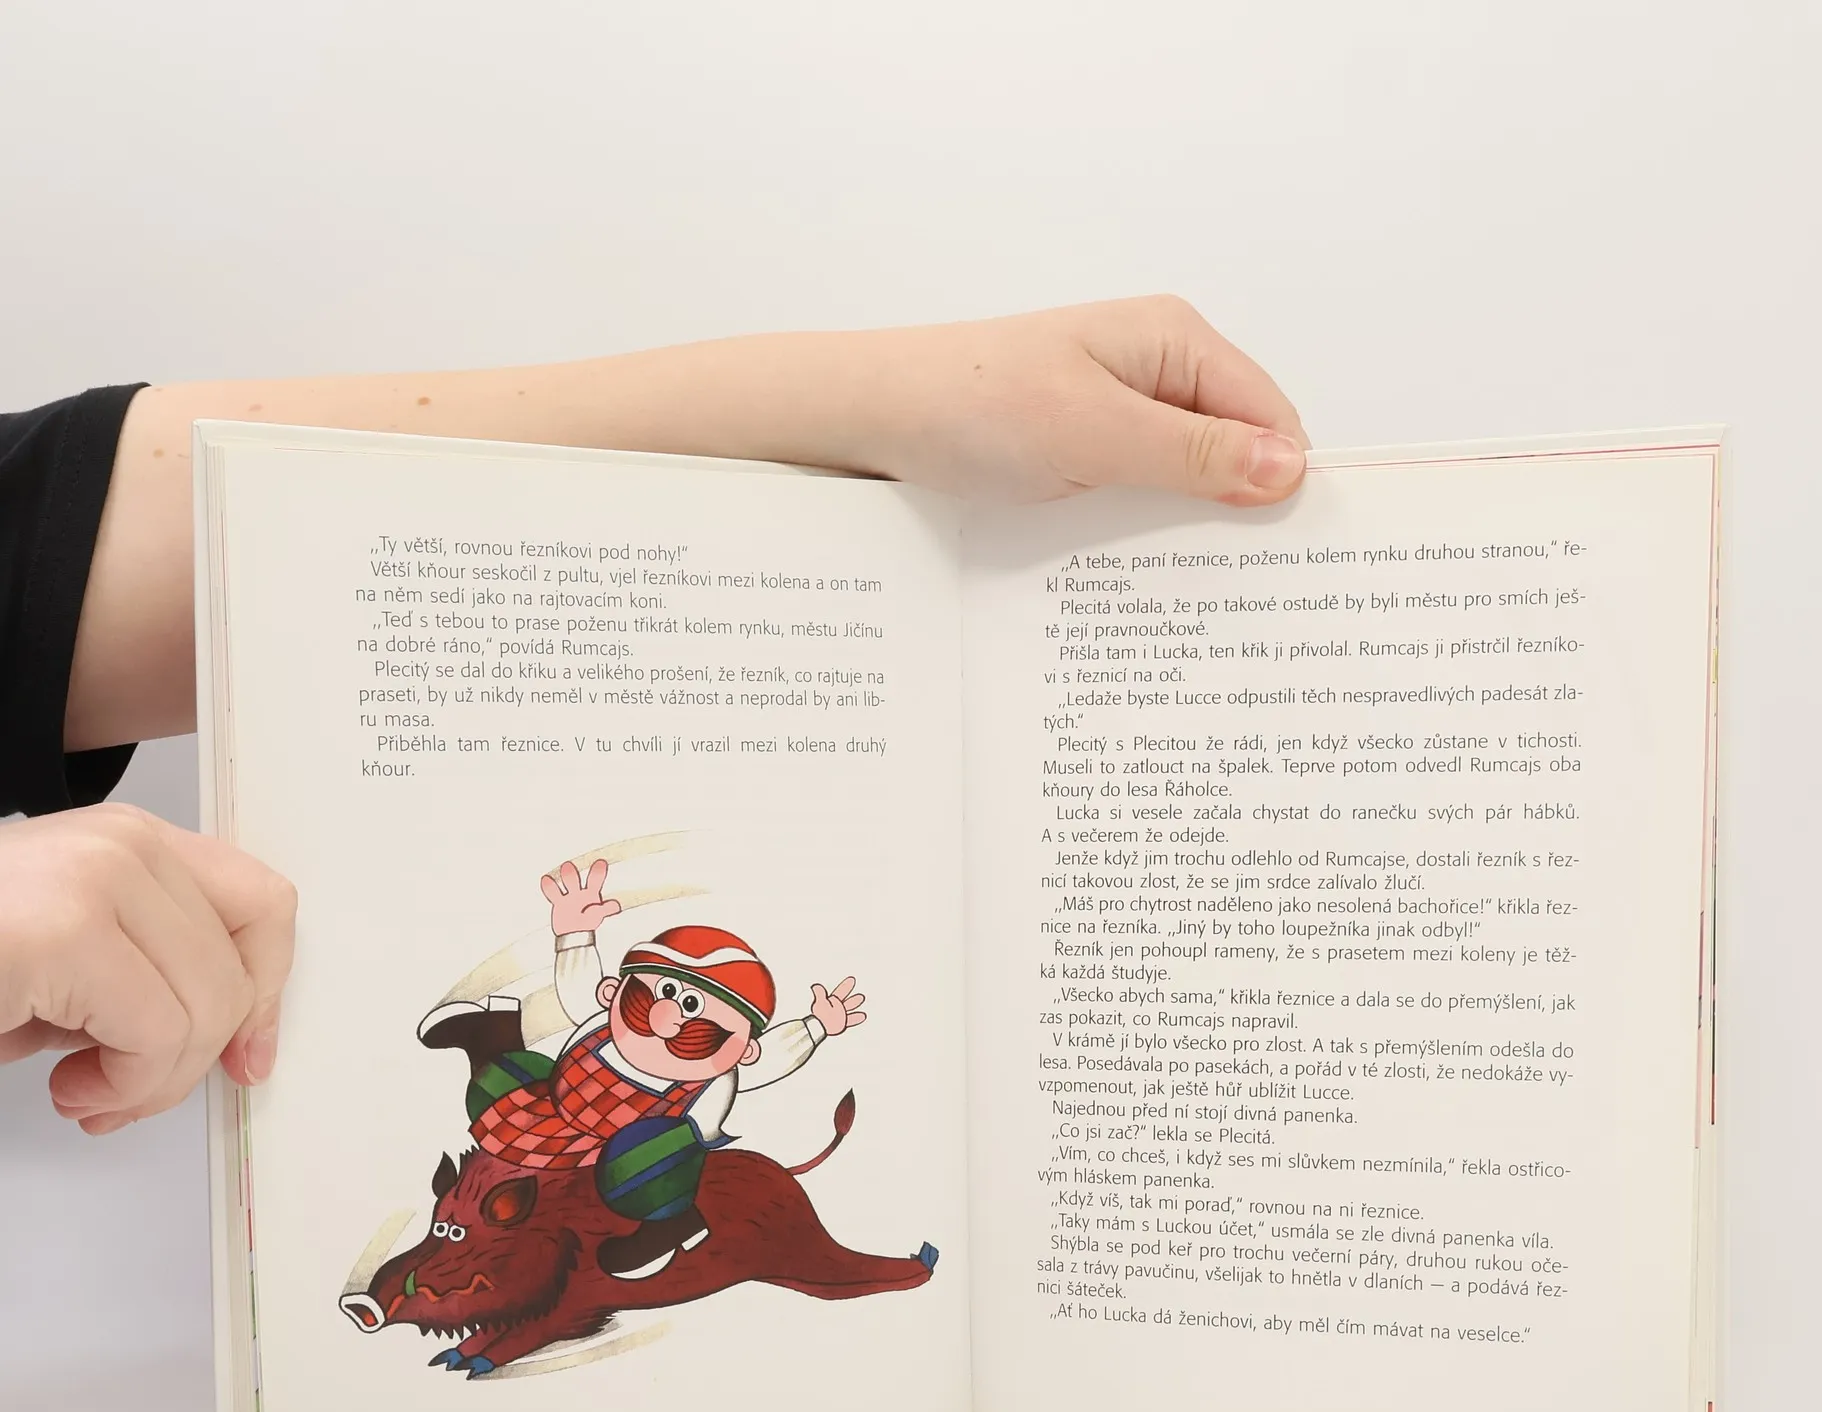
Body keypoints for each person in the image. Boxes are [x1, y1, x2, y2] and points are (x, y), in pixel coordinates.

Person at [0, 297, 1308, 1137]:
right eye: (669, 1003)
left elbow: (53, 551)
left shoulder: (713, 1081)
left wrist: (892, 394)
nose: (670, 1029)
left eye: (696, 1021)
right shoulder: (619, 1026)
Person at [423, 861, 865, 1279]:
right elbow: (577, 992)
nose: (666, 1015)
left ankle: (669, 1227)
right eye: (663, 991)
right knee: (494, 1087)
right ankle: (492, 1029)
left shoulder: (713, 1082)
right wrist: (575, 935)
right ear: (613, 993)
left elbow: (771, 1061)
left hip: (630, 1155)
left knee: (654, 1170)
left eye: (694, 1008)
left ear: (744, 1051)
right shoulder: (601, 1024)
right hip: (553, 1113)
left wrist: (815, 1028)